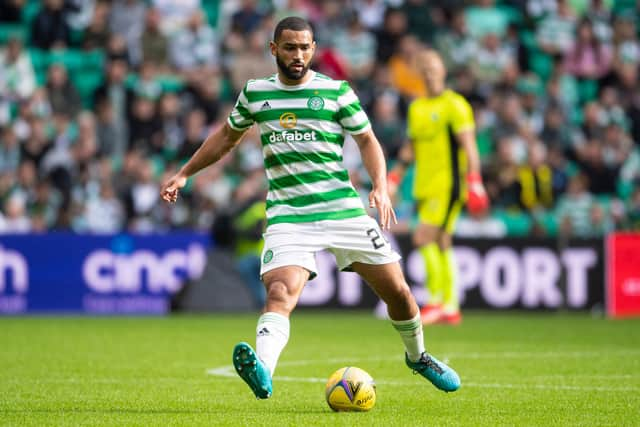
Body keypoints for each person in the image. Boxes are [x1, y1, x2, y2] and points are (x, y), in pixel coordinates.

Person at [160, 17, 460, 399]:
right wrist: (186, 173)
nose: (298, 55)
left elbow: (367, 140)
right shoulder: (256, 93)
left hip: (342, 210)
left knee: (399, 292)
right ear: (274, 50)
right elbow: (225, 137)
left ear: (313, 49)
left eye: (304, 47)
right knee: (281, 291)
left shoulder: (337, 92)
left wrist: (381, 187)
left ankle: (418, 357)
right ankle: (263, 371)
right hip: (288, 214)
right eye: (289, 47)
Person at [388, 49, 488, 325]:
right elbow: (411, 149)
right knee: (442, 243)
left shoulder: (455, 105)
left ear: (444, 70)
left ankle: (435, 301)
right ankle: (451, 306)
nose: (430, 73)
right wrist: (395, 177)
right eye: (425, 68)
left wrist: (475, 181)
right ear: (419, 74)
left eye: (434, 67)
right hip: (424, 186)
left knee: (422, 237)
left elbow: (469, 146)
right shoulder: (417, 108)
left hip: (449, 185)